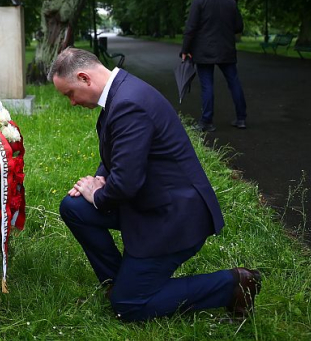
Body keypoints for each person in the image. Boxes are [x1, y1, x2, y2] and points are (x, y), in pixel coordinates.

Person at [48, 48, 261, 322]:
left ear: (84, 78)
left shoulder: (128, 103)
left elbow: (125, 185)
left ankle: (234, 285)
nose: (72, 103)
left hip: (172, 217)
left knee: (128, 307)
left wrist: (98, 195)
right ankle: (119, 281)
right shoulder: (121, 92)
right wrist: (99, 180)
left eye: (69, 94)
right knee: (74, 207)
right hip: (149, 201)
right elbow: (121, 156)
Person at [181, 0, 247, 131]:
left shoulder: (199, 2)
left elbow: (191, 28)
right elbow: (239, 26)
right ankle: (241, 119)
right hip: (226, 50)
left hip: (204, 51)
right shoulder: (230, 2)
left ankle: (207, 122)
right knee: (234, 83)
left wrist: (185, 49)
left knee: (207, 86)